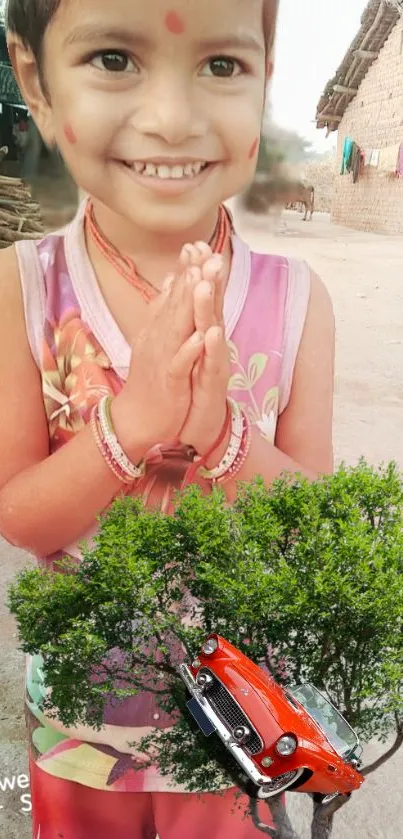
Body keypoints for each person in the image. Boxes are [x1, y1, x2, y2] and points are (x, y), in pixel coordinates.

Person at [0, 0, 335, 837]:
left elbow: (314, 531)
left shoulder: (295, 303)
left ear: (263, 71)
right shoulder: (24, 290)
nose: (172, 119)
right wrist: (133, 421)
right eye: (114, 57)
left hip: (238, 728)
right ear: (34, 79)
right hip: (80, 728)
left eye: (221, 65)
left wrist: (223, 438)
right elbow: (19, 512)